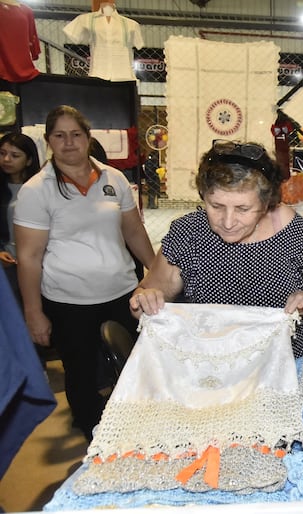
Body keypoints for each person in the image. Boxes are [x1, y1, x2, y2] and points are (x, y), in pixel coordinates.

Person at [14, 105, 155, 441]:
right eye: (59, 135)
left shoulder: (113, 178)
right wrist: (34, 313)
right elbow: (29, 257)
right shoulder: (36, 190)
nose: (69, 143)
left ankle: (139, 425)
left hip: (122, 291)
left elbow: (134, 231)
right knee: (81, 372)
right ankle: (94, 435)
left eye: (76, 134)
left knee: (138, 361)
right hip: (69, 301)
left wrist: (155, 272)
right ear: (48, 141)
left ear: (88, 138)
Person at [128, 139, 303, 358]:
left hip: (280, 362)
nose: (228, 222)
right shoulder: (189, 234)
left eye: (243, 208)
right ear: (203, 196)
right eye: (216, 206)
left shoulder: (291, 230)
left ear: (266, 204)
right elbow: (144, 295)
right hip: (210, 364)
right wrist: (145, 300)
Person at [1, 132, 41, 301]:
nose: (6, 159)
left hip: (38, 264)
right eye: (2, 153)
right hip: (7, 264)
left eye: (15, 155)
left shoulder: (40, 188)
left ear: (29, 160)